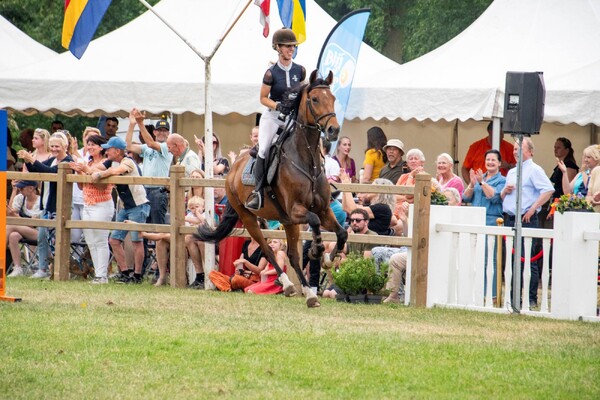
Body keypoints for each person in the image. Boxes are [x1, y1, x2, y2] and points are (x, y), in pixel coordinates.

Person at [246, 28, 306, 210]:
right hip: (273, 116)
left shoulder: (300, 70)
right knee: (264, 148)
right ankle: (257, 191)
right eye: (287, 46)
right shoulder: (271, 73)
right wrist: (278, 106)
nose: (291, 49)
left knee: (309, 143)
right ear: (278, 48)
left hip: (292, 117)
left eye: (293, 46)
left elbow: (303, 93)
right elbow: (263, 98)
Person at [501, 138, 554, 308]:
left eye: (520, 148)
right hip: (510, 217)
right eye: (515, 149)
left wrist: (533, 209)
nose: (516, 151)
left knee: (528, 259)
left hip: (526, 218)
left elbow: (547, 190)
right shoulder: (512, 172)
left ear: (530, 151)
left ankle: (531, 298)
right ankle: (514, 295)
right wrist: (504, 191)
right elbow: (503, 197)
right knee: (512, 259)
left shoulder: (535, 170)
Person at [91, 136, 150, 284]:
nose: (106, 151)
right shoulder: (111, 161)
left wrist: (100, 175)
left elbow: (118, 171)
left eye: (109, 149)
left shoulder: (128, 161)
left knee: (137, 241)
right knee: (114, 240)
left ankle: (137, 275)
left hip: (138, 205)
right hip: (125, 206)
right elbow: (96, 168)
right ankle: (124, 272)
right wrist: (90, 170)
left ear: (117, 151)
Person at [18, 132, 74, 279]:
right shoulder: (52, 160)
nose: (54, 149)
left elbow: (50, 173)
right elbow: (38, 170)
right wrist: (28, 161)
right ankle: (43, 268)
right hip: (46, 205)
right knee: (42, 237)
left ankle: (59, 269)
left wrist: (32, 160)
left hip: (59, 206)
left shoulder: (67, 161)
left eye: (57, 146)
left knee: (55, 239)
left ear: (65, 146)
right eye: (52, 146)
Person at [69, 135, 114, 284]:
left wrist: (86, 169)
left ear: (101, 147)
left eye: (93, 144)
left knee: (100, 240)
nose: (90, 147)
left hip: (102, 203)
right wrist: (79, 171)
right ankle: (98, 273)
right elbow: (82, 186)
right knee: (90, 240)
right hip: (87, 203)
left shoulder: (106, 163)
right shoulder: (88, 162)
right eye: (88, 144)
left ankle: (102, 275)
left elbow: (101, 184)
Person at [462, 149, 506, 298]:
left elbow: (494, 197)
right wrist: (472, 184)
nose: (490, 162)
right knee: (474, 257)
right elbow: (466, 198)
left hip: (491, 221)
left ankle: (491, 294)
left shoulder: (502, 180)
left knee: (489, 259)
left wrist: (481, 182)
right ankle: (475, 290)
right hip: (475, 219)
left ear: (499, 163)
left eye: (493, 160)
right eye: (488, 160)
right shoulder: (481, 177)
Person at [141, 196, 205, 286]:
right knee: (161, 240)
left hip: (192, 240)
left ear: (203, 207)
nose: (195, 210)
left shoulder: (205, 215)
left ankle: (145, 234)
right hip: (184, 239)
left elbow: (203, 222)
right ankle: (162, 277)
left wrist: (189, 217)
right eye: (192, 208)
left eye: (197, 207)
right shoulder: (189, 215)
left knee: (163, 236)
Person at [125, 109, 172, 227]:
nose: (162, 133)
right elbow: (128, 146)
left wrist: (140, 123)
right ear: (155, 132)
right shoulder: (146, 147)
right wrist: (132, 124)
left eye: (164, 130)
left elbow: (151, 143)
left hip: (158, 190)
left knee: (158, 227)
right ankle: (145, 246)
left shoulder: (168, 147)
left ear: (168, 134)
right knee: (143, 226)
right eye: (159, 130)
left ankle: (159, 246)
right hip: (144, 189)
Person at [340, 172, 396, 236]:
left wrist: (347, 187)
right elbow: (345, 207)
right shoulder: (370, 206)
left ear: (380, 192)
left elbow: (353, 211)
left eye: (372, 187)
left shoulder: (383, 208)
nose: (368, 189)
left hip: (371, 243)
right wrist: (344, 186)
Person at [6, 180, 42, 277]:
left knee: (10, 226)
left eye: (21, 188)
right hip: (23, 231)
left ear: (31, 188)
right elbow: (10, 212)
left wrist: (15, 216)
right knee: (13, 235)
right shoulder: (20, 198)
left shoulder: (40, 201)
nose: (19, 190)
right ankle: (18, 268)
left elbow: (32, 224)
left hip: (39, 232)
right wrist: (14, 190)